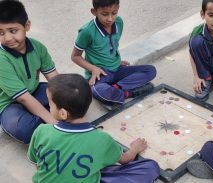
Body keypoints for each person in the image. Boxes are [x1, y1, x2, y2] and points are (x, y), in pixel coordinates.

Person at [27, 74, 160, 183]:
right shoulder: (101, 139)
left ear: (62, 113)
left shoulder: (41, 131)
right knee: (150, 167)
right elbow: (125, 159)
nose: (49, 106)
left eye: (50, 103)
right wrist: (134, 149)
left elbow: (38, 165)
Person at [71, 0, 156, 109]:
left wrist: (116, 60)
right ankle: (129, 93)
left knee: (150, 70)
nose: (110, 19)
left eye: (114, 13)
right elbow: (75, 56)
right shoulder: (87, 31)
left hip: (117, 69)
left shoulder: (119, 23)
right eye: (105, 14)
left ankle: (115, 90)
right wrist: (93, 69)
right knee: (98, 90)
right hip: (100, 74)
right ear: (94, 12)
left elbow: (112, 45)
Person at [0, 0, 58, 144]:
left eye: (13, 31)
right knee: (21, 127)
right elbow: (23, 98)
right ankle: (45, 124)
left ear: (27, 26)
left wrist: (67, 97)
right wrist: (52, 121)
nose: (7, 38)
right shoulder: (1, 59)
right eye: (0, 32)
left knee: (72, 94)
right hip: (9, 104)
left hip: (34, 91)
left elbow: (55, 79)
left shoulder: (38, 47)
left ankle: (41, 117)